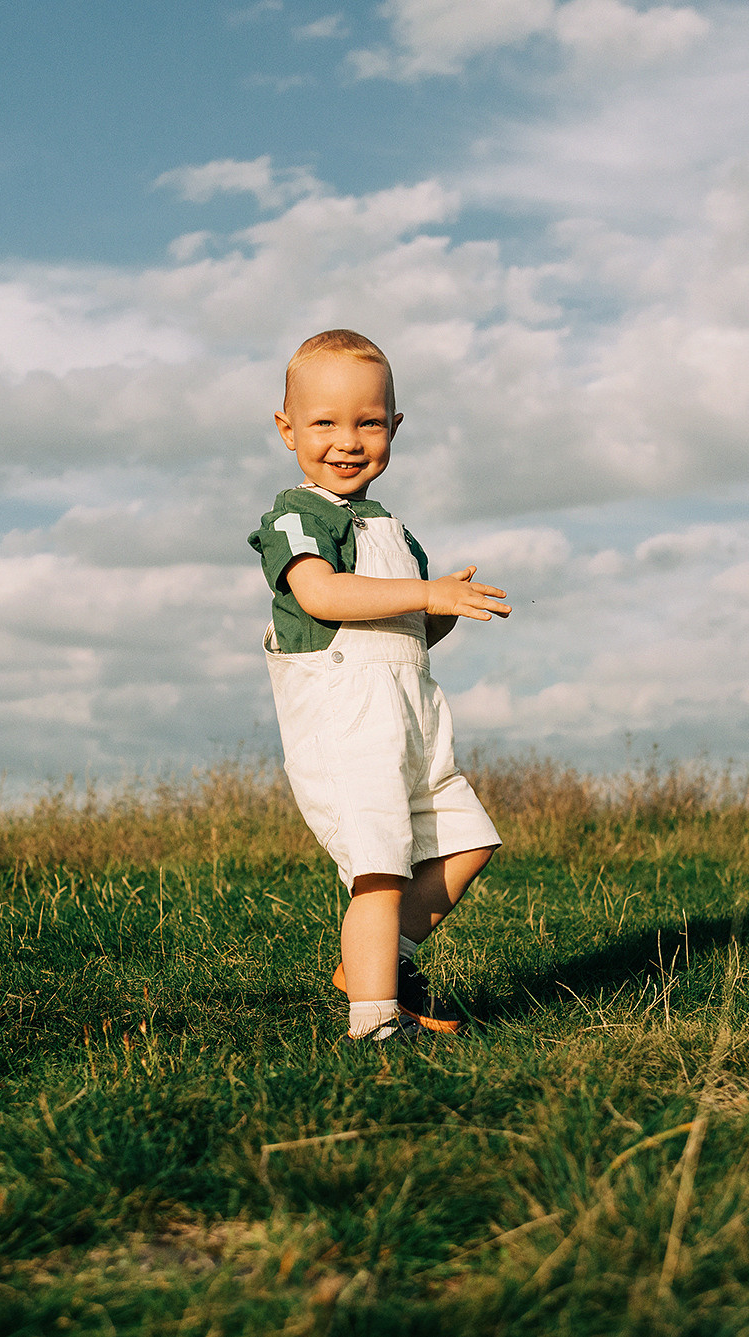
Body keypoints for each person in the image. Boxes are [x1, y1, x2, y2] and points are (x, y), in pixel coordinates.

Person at [248, 330, 511, 1043]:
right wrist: (423, 591)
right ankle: (376, 1023)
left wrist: (441, 606)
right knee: (380, 869)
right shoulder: (297, 516)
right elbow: (324, 595)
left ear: (394, 427)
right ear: (288, 429)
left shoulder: (392, 529)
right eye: (324, 422)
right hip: (348, 724)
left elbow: (411, 631)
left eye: (368, 421)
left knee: (467, 841)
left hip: (413, 723)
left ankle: (382, 960)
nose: (347, 439)